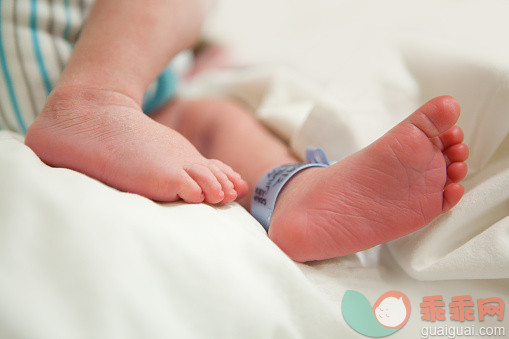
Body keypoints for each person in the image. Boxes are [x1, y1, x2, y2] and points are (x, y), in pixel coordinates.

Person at [2, 0, 468, 262]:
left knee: (213, 122)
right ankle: (95, 98)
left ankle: (289, 192)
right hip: (104, 98)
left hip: (147, 108)